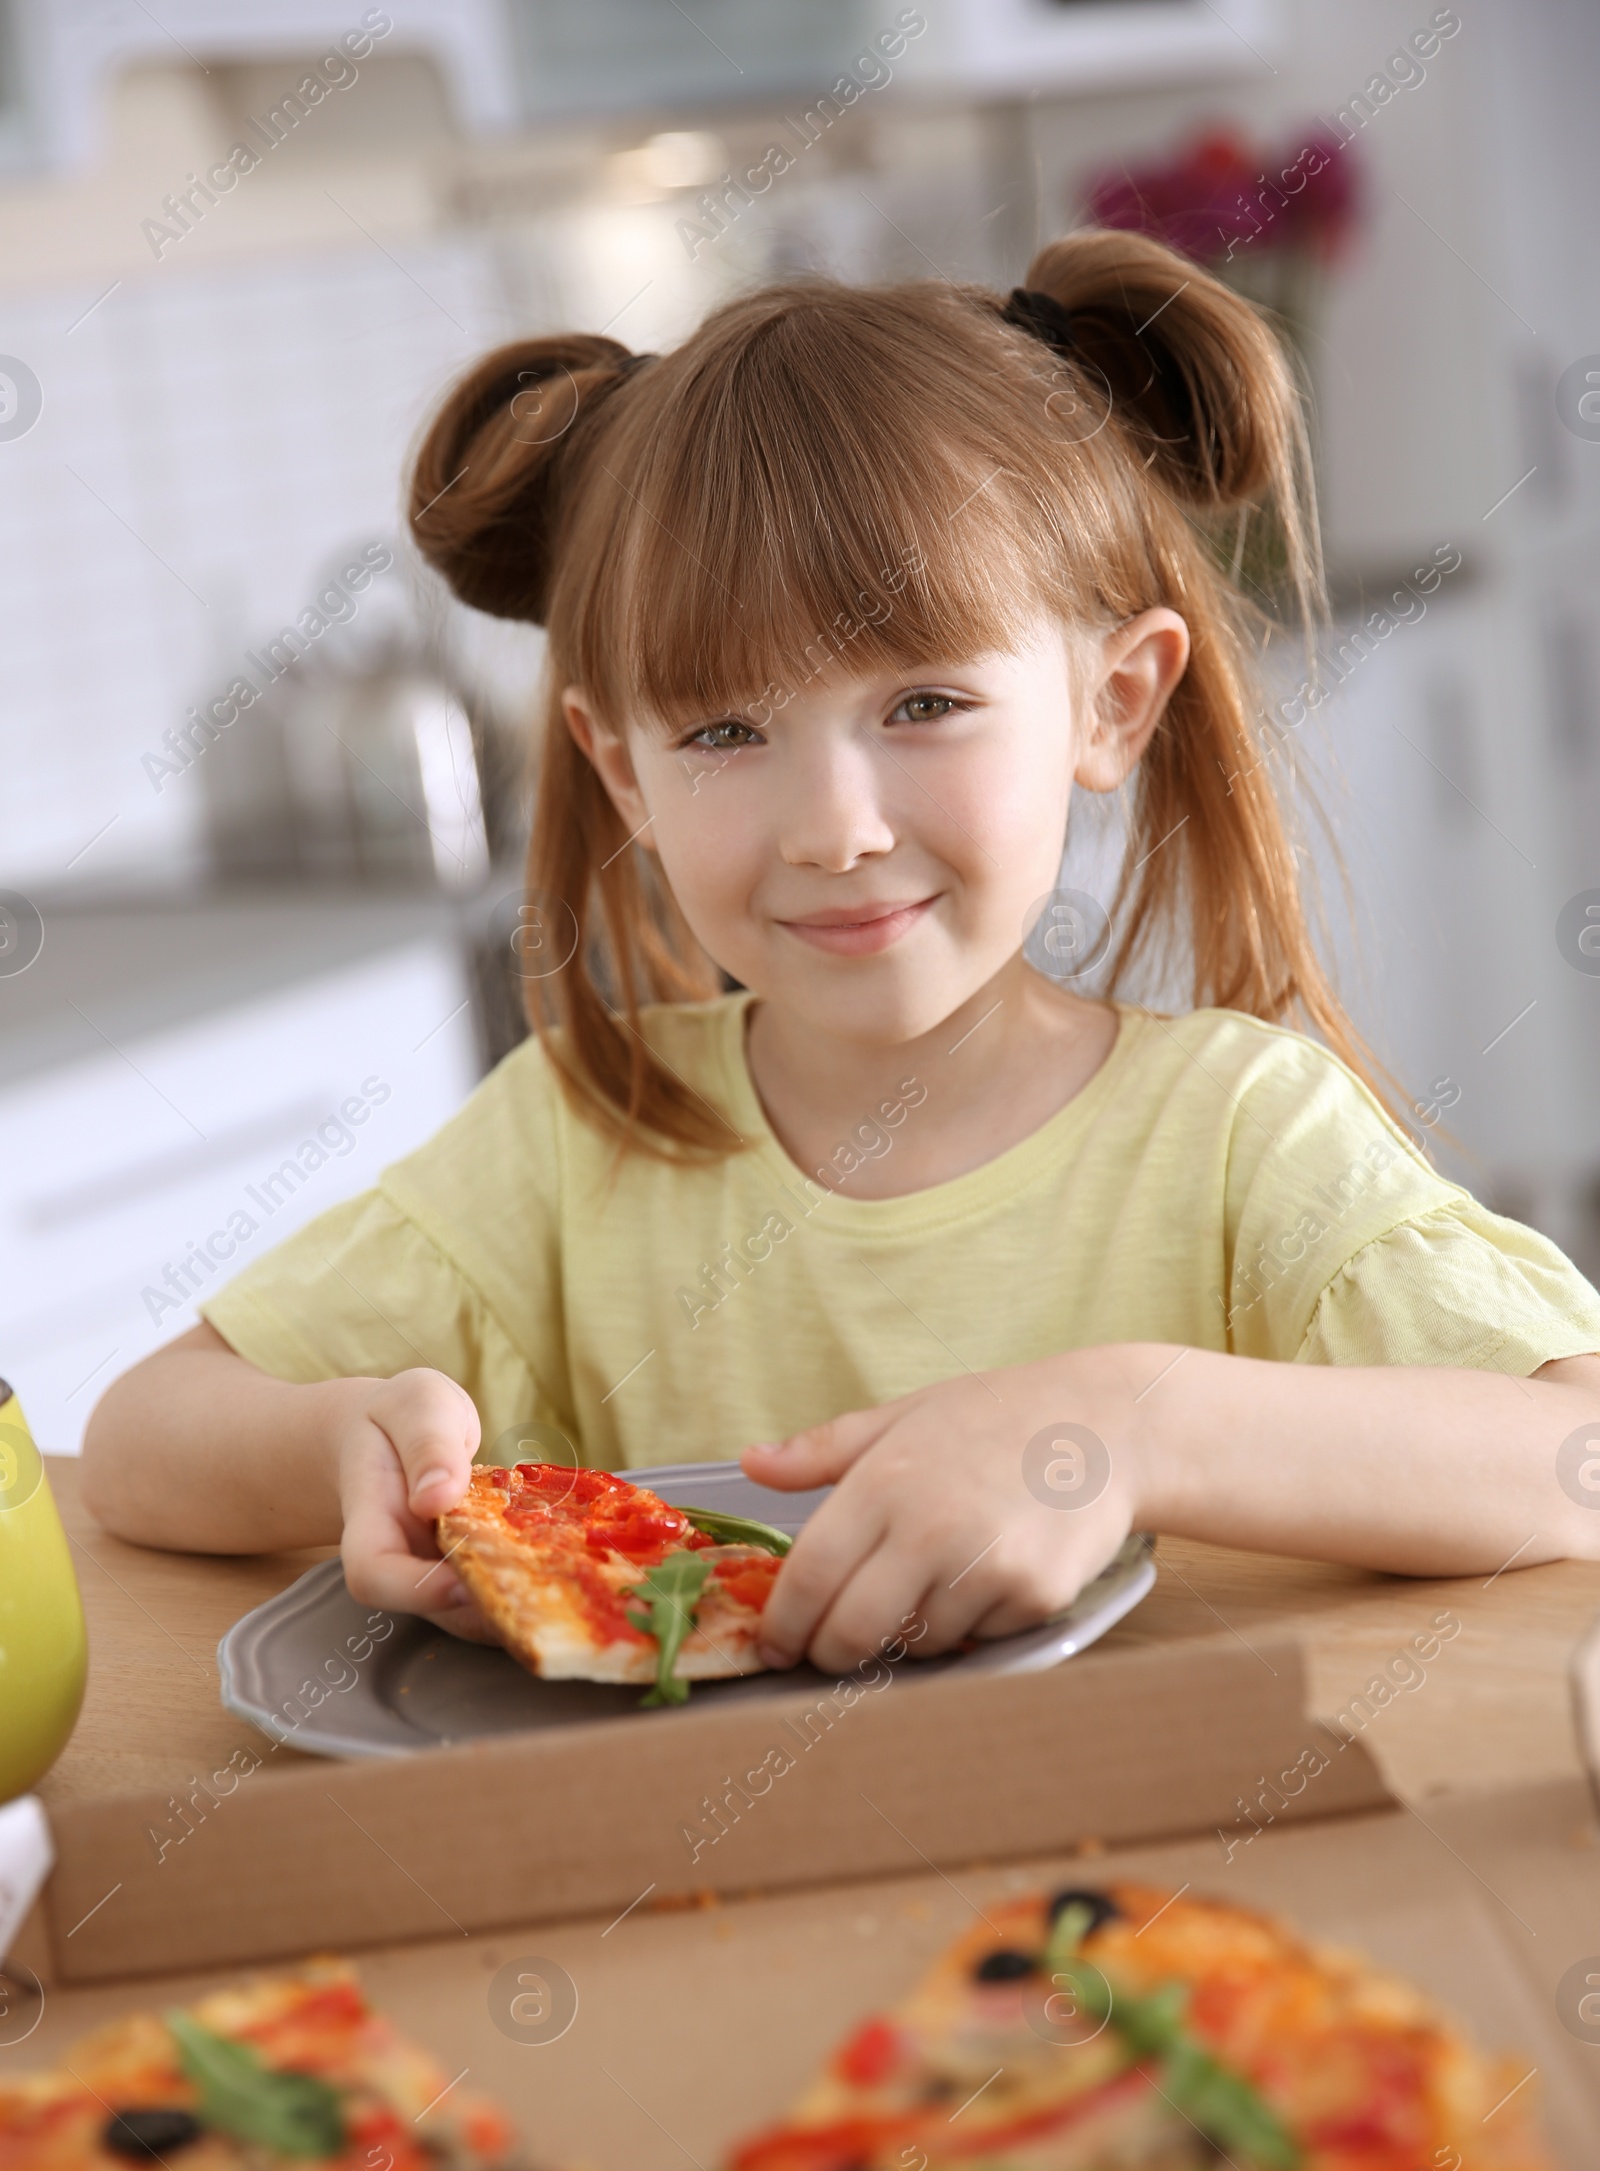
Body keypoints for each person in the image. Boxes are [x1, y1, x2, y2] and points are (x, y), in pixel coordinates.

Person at [84, 231, 1600, 1674]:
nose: (833, 828)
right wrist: (342, 1435)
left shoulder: (1236, 1142)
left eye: (923, 705)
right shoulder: (567, 1149)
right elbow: (146, 1440)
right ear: (624, 775)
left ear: (1112, 704)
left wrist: (1136, 1423)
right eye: (727, 733)